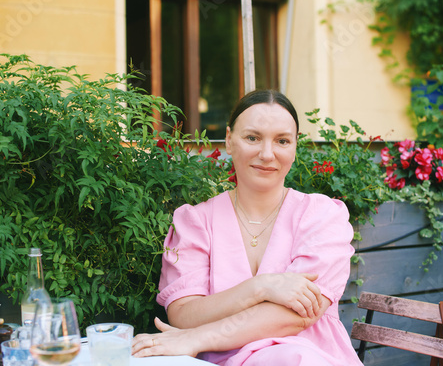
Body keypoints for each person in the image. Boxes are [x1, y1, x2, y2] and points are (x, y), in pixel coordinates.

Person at [132, 89, 363, 365]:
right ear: (229, 140)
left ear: (295, 146)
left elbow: (298, 315)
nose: (267, 154)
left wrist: (196, 339)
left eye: (282, 141)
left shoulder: (322, 217)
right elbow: (182, 314)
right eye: (252, 137)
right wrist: (260, 287)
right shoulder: (196, 222)